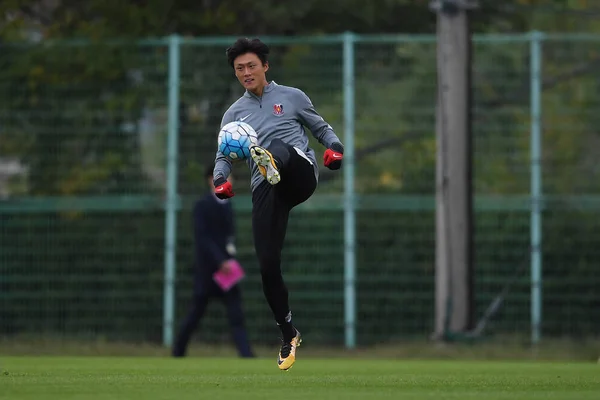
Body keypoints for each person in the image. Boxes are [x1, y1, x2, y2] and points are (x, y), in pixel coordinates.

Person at [212, 37, 344, 370]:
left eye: (251, 66)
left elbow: (321, 128)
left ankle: (271, 159)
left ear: (265, 66)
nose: (246, 72)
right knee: (267, 264)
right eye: (239, 68)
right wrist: (220, 181)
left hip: (300, 173)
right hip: (267, 189)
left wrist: (335, 148)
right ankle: (288, 334)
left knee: (282, 151)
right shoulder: (234, 114)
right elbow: (223, 155)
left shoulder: (292, 97)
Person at [172, 163, 254, 359]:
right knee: (196, 313)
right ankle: (178, 351)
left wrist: (231, 260)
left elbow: (229, 239)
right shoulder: (202, 206)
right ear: (212, 179)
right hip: (208, 271)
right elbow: (203, 239)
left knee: (236, 314)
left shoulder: (228, 206)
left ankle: (246, 355)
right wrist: (220, 261)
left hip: (228, 272)